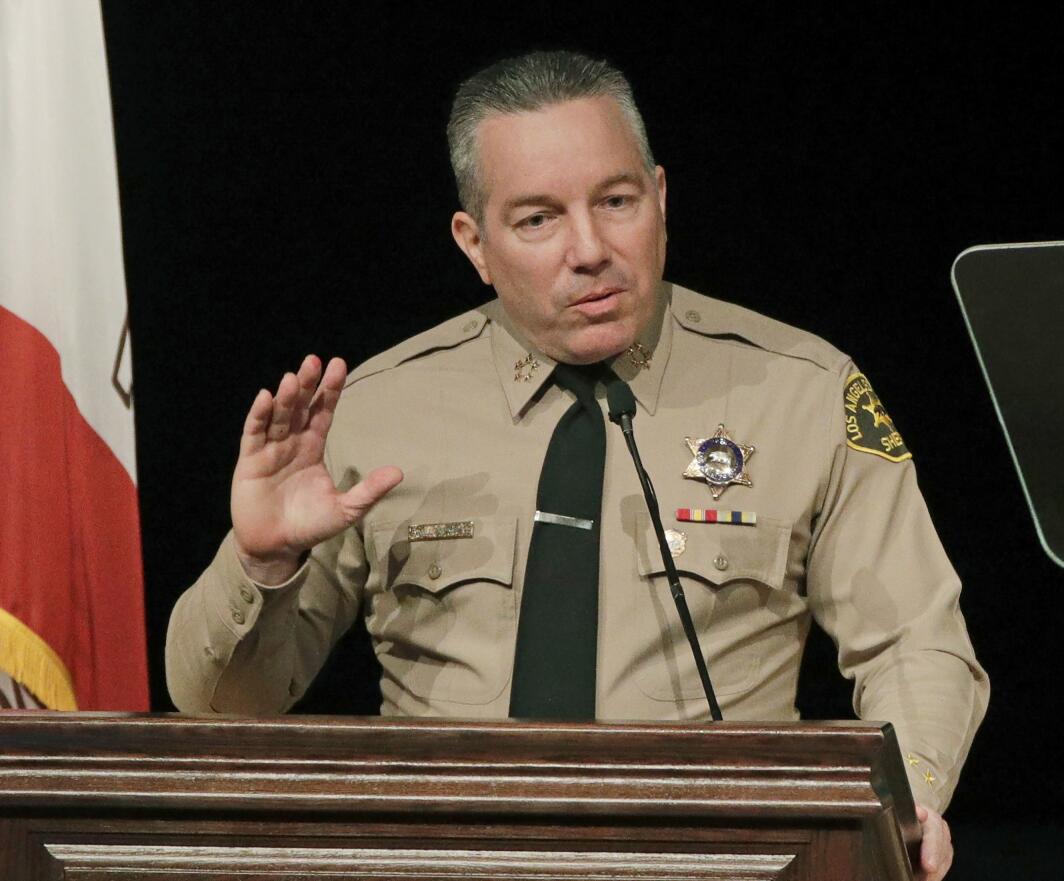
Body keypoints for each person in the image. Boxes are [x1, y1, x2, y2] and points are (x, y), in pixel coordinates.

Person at [167, 50, 987, 881]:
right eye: (537, 220)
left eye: (617, 201)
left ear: (661, 198)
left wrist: (904, 797)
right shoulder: (373, 412)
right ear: (474, 242)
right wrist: (262, 559)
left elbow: (914, 641)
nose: (589, 248)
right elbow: (221, 708)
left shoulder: (801, 392)